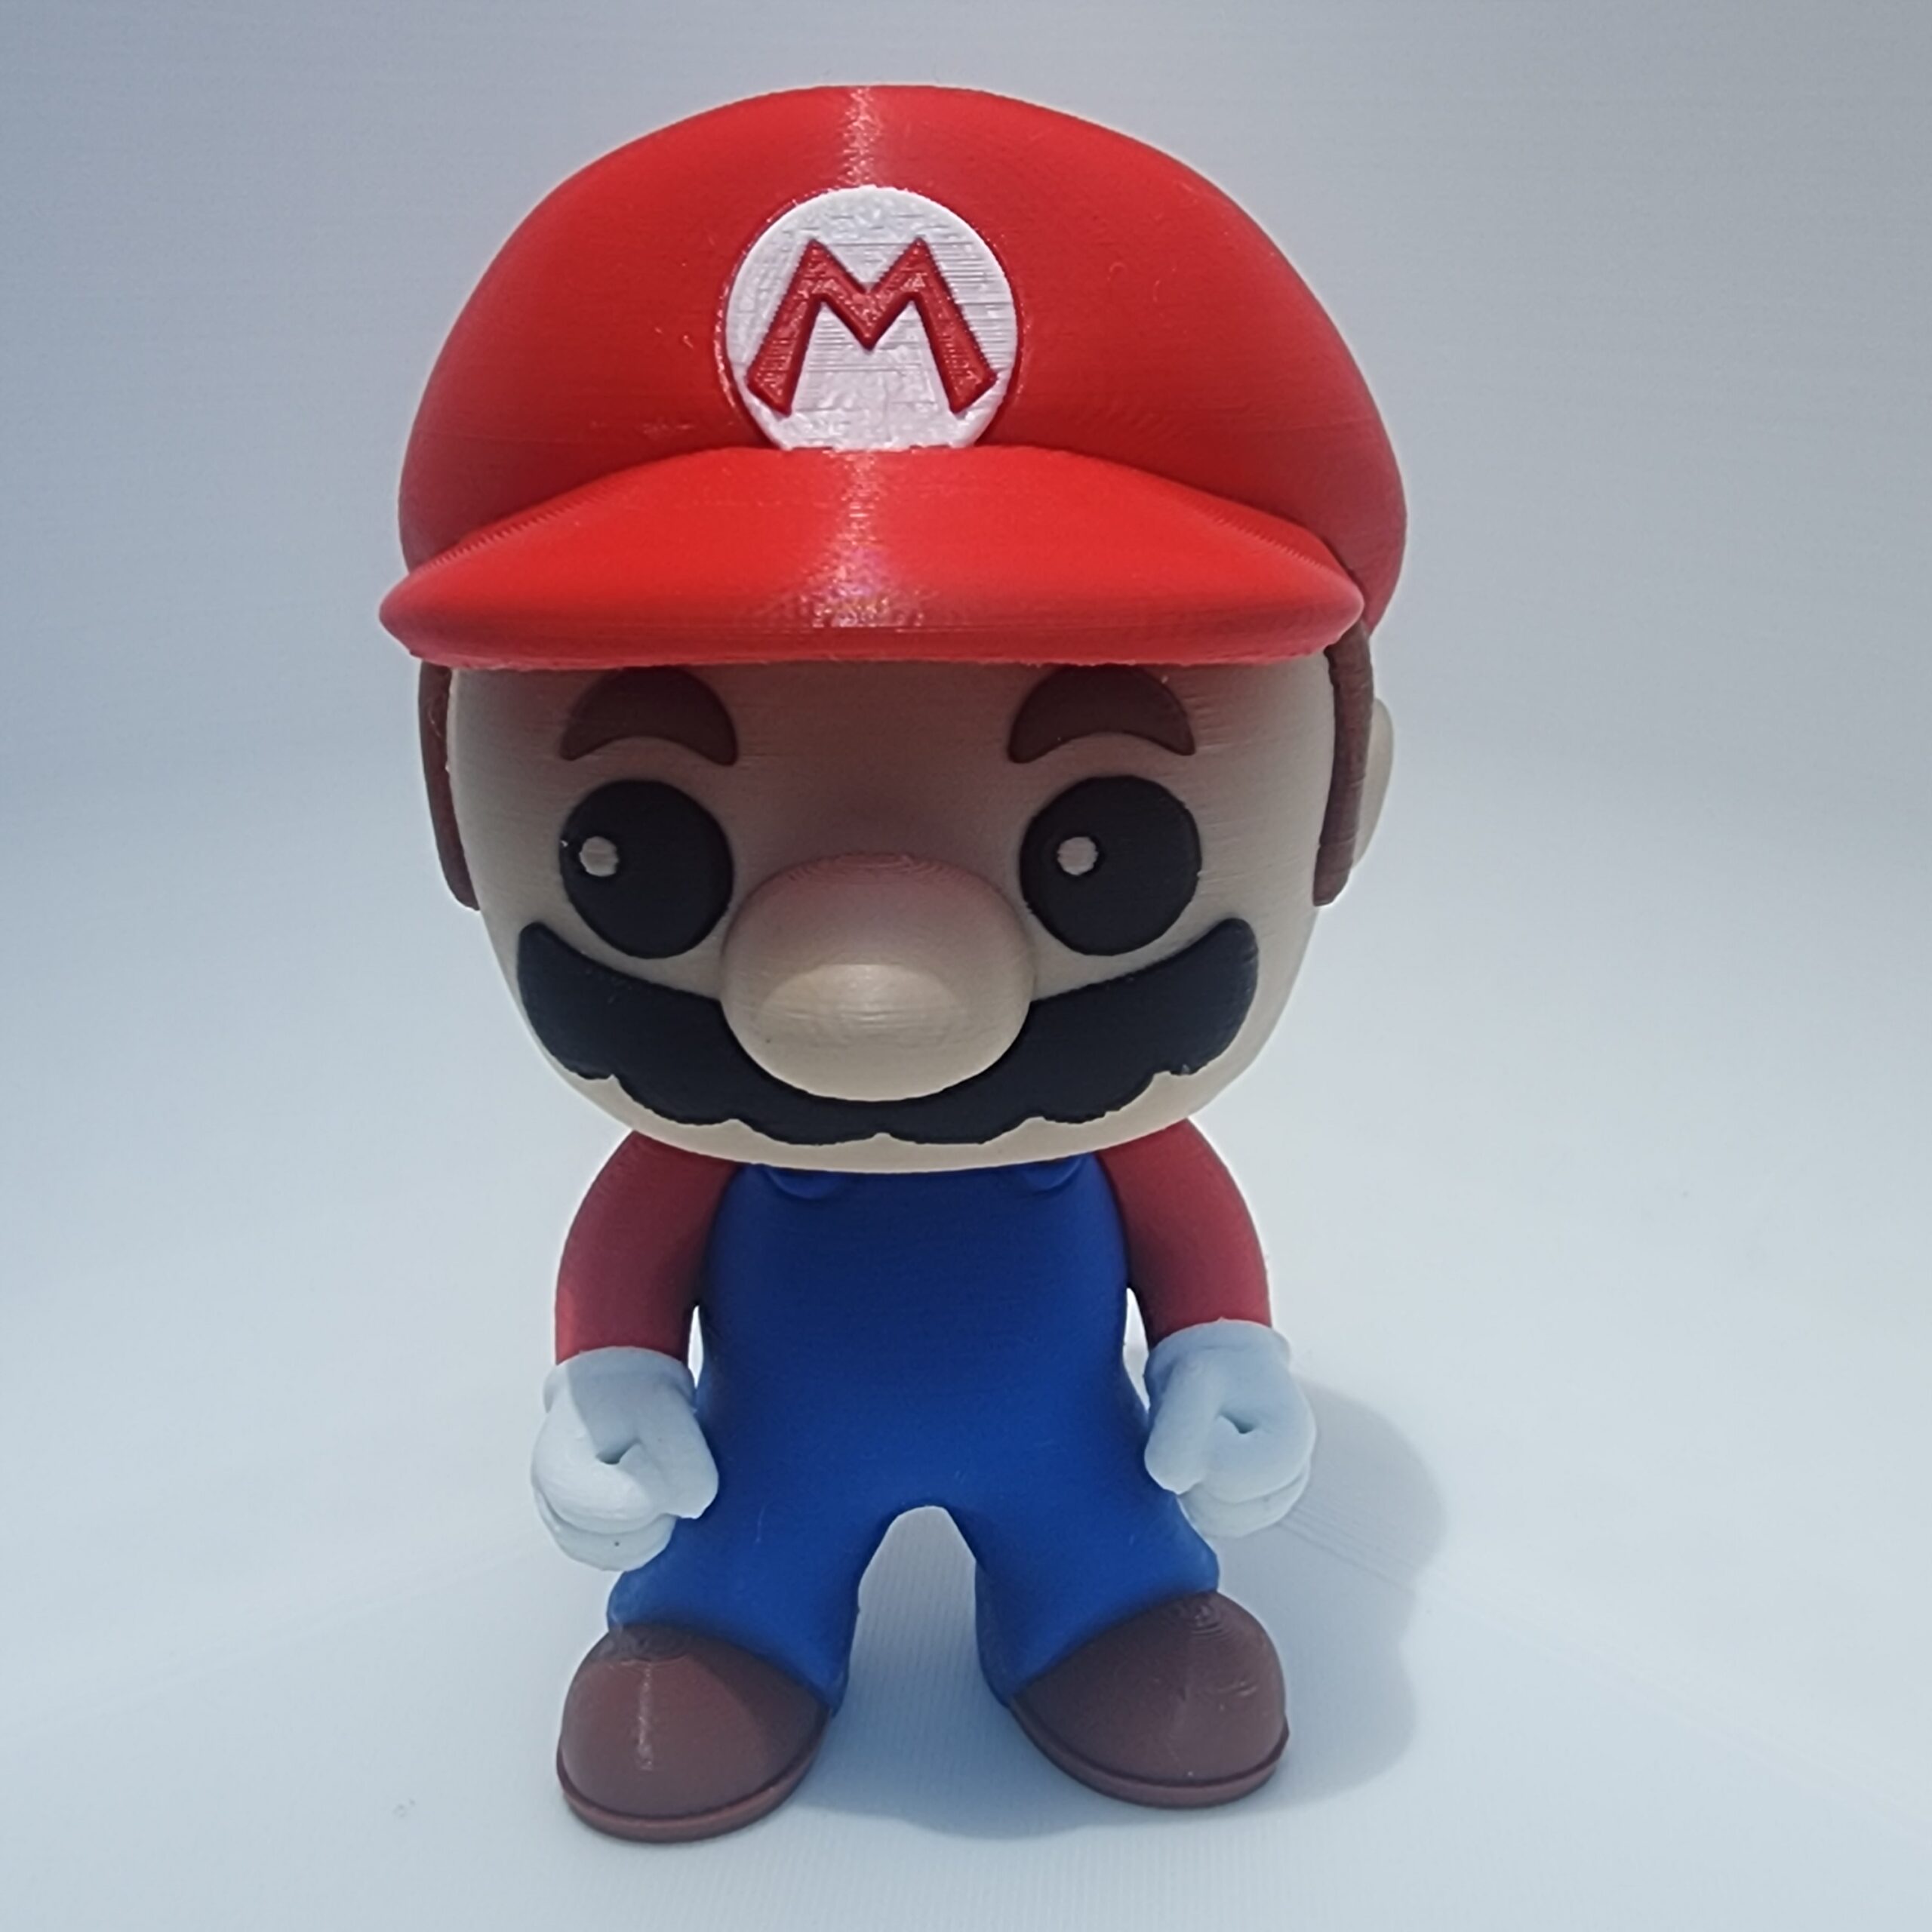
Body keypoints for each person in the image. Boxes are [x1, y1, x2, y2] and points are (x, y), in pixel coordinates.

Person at [382, 83, 1403, 1841]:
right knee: (728, 1573)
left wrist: (1223, 1347)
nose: (868, 1008)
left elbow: (1186, 1227)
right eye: (643, 848)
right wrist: (611, 1378)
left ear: (1343, 799)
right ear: (449, 810)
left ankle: (1100, 1605)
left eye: (1099, 852)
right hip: (763, 1463)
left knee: (1119, 1570)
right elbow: (626, 1246)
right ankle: (731, 1620)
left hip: (1073, 1459)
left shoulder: (1118, 1137)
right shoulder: (695, 1152)